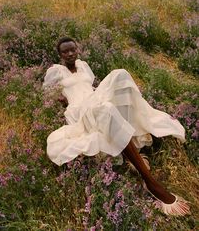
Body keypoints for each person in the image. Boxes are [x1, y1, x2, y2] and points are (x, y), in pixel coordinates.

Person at [43, 37, 190, 216]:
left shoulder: (84, 66)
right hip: (78, 109)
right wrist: (63, 101)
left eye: (72, 49)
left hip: (93, 99)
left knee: (120, 74)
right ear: (60, 54)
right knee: (106, 109)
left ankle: (131, 152)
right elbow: (48, 94)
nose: (70, 53)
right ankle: (150, 181)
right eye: (65, 51)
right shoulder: (56, 71)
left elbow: (90, 86)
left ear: (77, 49)